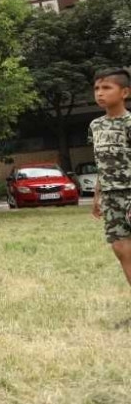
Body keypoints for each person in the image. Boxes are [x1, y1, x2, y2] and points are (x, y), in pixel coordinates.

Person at [89, 67, 131, 290]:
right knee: (121, 250)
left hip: (130, 192)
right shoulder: (95, 126)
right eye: (96, 88)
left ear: (124, 92)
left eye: (106, 87)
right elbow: (101, 163)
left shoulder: (129, 123)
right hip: (111, 197)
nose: (100, 93)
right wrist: (97, 196)